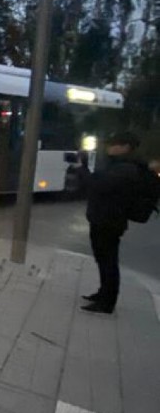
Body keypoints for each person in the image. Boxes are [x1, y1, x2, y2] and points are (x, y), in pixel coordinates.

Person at [81, 131, 145, 315]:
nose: (110, 146)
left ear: (125, 147)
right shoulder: (120, 165)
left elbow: (99, 186)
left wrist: (83, 170)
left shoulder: (126, 168)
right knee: (103, 259)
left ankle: (107, 302)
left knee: (108, 260)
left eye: (115, 144)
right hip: (105, 218)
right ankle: (103, 293)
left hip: (109, 220)